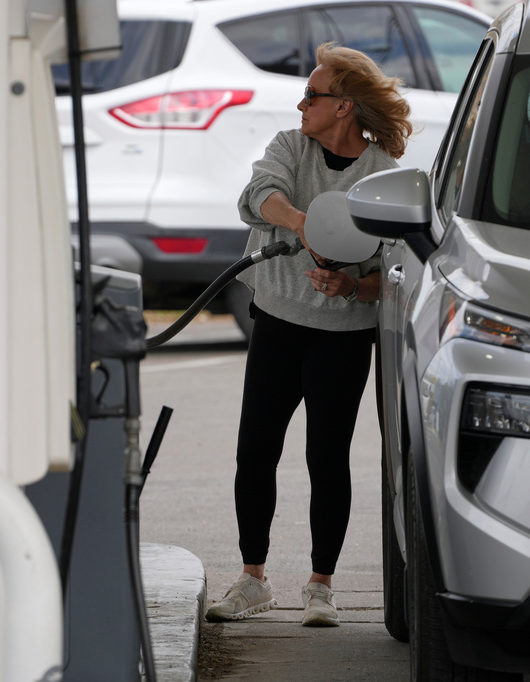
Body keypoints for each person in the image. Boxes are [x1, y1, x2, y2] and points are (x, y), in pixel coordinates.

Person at [204, 43, 412, 627]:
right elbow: (256, 196)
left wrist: (350, 288)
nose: (302, 104)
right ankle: (253, 580)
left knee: (328, 458)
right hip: (275, 321)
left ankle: (321, 586)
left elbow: (390, 277)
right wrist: (305, 222)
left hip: (343, 337)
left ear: (344, 106)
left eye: (313, 95)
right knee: (255, 454)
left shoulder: (383, 178)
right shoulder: (290, 147)